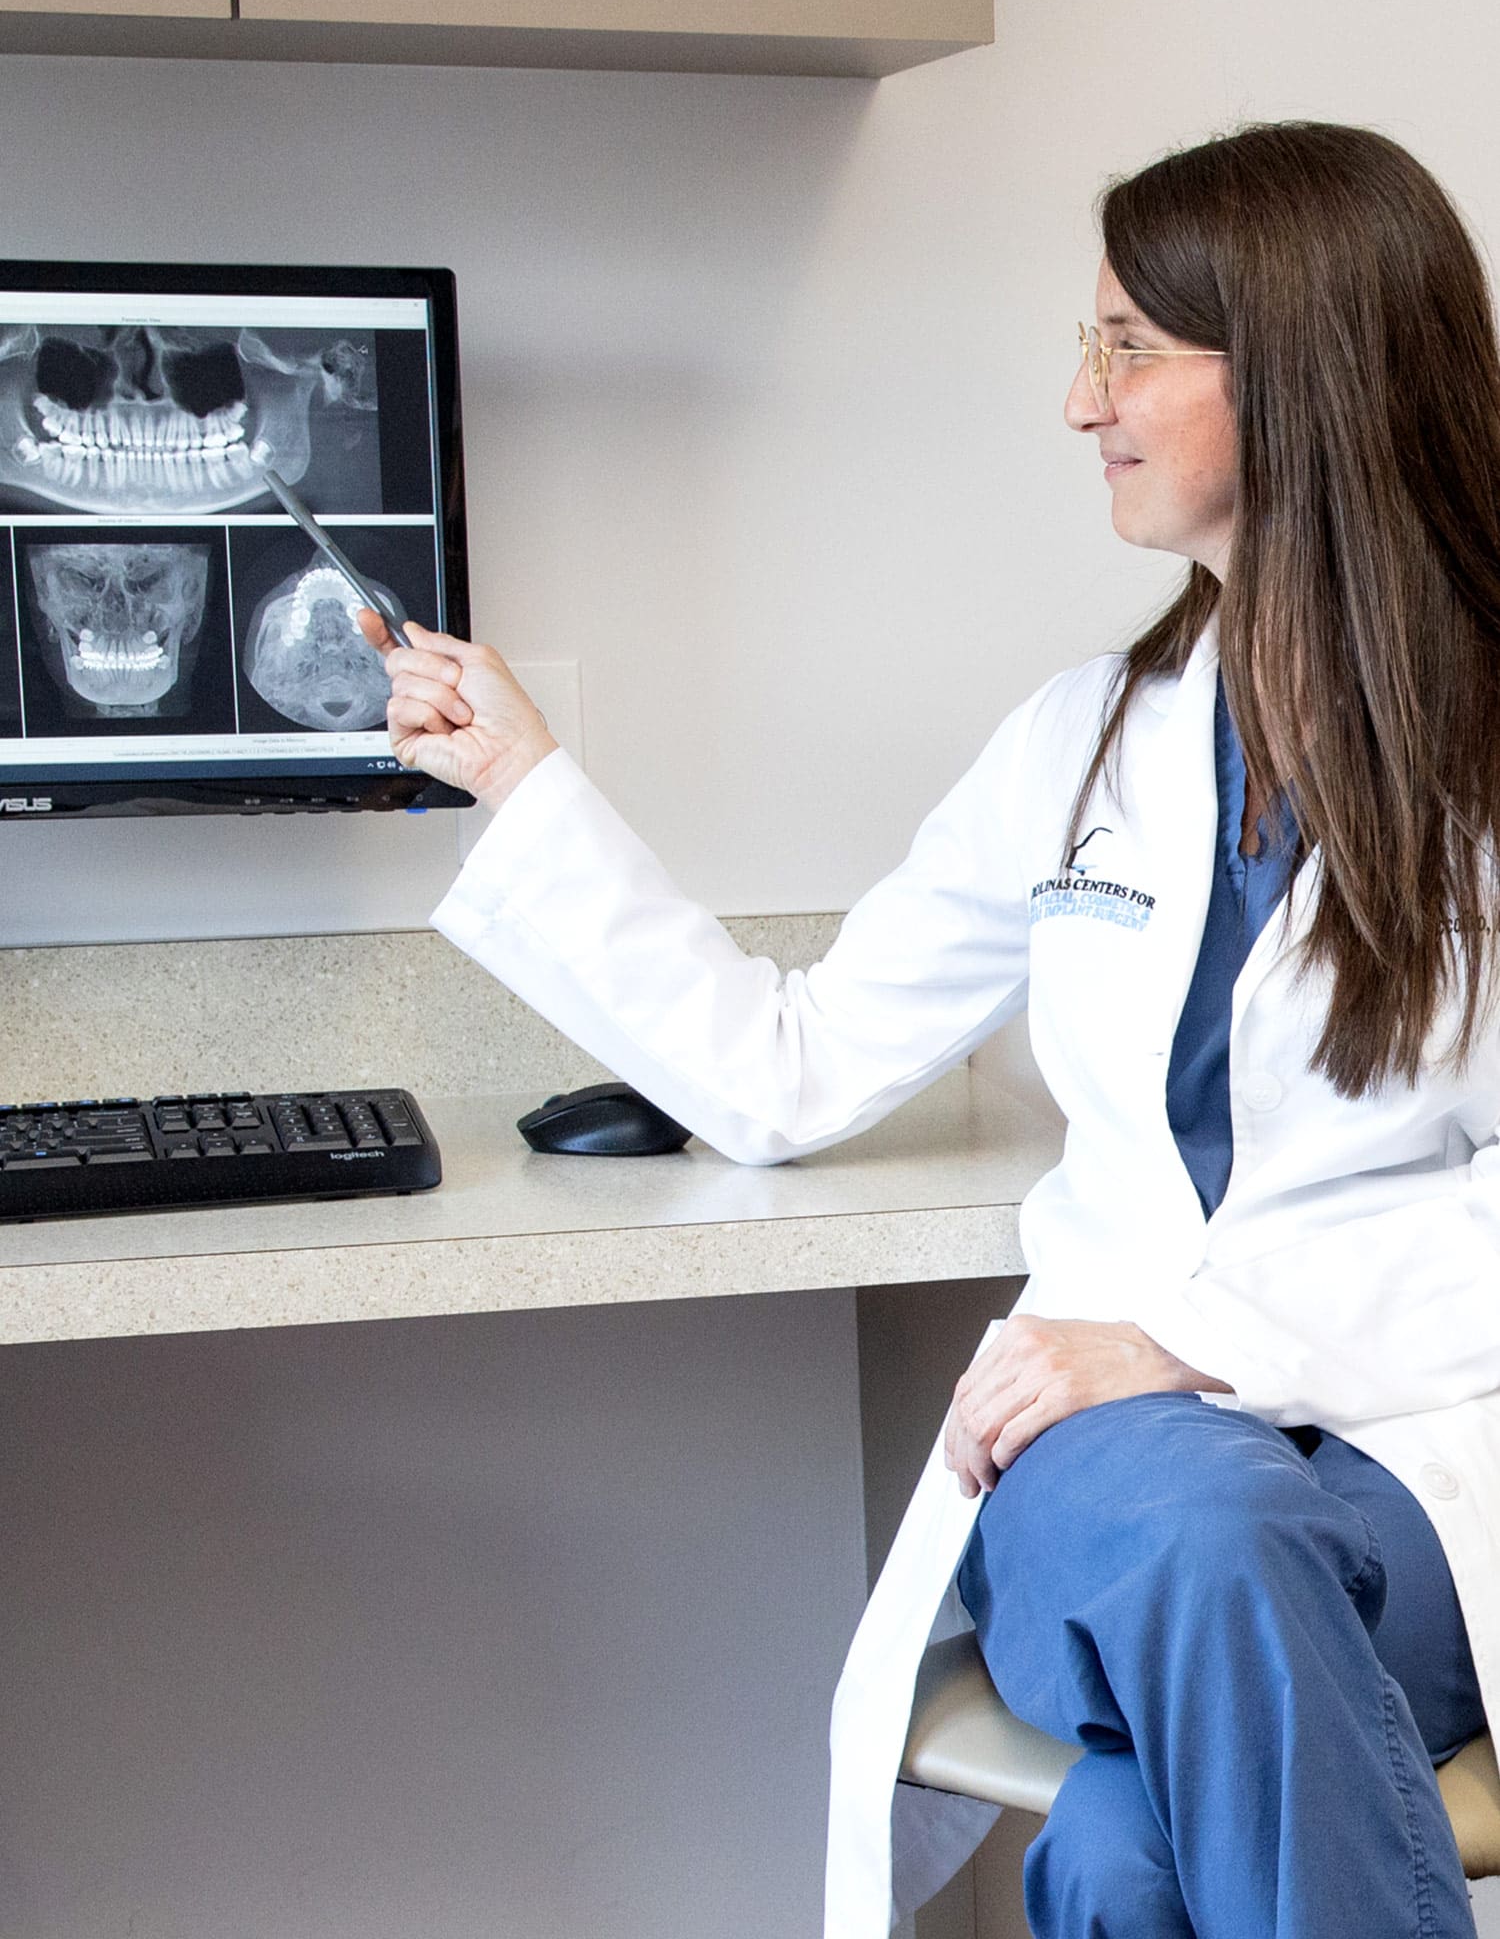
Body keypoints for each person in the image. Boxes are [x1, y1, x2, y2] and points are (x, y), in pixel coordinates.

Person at [362, 120, 1499, 1938]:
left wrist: (1193, 1340)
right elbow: (784, 1071)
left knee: (1131, 1852)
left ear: (1299, 368)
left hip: (1421, 1473)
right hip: (1117, 1492)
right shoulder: (1078, 748)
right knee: (1208, 1541)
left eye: (1129, 343)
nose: (1079, 397)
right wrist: (524, 778)